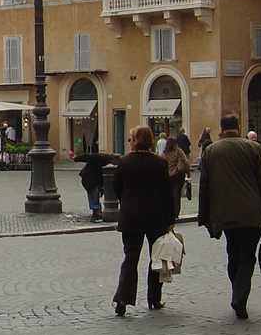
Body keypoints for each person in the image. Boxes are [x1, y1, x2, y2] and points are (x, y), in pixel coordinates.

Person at [197, 114, 261, 320]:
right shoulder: (253, 148)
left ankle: (236, 292)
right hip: (252, 212)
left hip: (225, 212)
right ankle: (240, 297)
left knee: (233, 253)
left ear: (221, 129)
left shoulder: (211, 151)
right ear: (239, 127)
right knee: (247, 256)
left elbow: (204, 185)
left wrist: (203, 215)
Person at [111, 126, 177, 316]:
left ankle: (123, 299)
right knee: (156, 258)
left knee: (130, 258)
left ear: (136, 141)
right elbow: (167, 193)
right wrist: (170, 219)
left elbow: (116, 186)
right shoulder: (159, 163)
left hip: (131, 217)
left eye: (131, 138)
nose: (129, 142)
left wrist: (126, 201)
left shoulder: (124, 162)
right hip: (155, 216)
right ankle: (154, 298)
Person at [70, 145, 116, 221]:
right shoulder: (102, 157)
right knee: (93, 192)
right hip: (89, 177)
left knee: (96, 192)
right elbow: (88, 156)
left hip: (95, 178)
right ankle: (96, 212)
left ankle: (97, 211)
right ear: (114, 160)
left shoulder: (107, 161)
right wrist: (76, 158)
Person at [162, 136, 191, 218]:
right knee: (177, 194)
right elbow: (185, 162)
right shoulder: (179, 151)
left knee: (169, 194)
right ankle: (176, 213)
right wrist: (188, 173)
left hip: (168, 175)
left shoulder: (165, 152)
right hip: (178, 174)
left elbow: (162, 163)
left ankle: (169, 212)